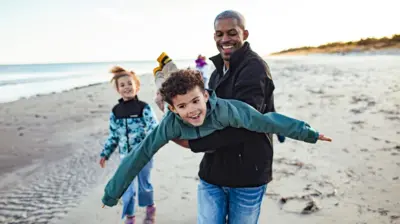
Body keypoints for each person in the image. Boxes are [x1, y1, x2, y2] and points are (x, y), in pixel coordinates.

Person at [101, 69, 332, 208]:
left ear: (206, 95)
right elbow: (140, 154)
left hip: (243, 165)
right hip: (201, 152)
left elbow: (266, 121)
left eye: (195, 101)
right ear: (172, 110)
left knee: (261, 121)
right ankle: (163, 79)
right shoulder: (170, 124)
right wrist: (111, 194)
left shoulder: (227, 110)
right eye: (182, 106)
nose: (192, 110)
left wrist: (307, 133)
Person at [184, 10, 286, 223]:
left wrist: (196, 143)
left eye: (232, 33)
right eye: (219, 34)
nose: (225, 39)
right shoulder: (216, 72)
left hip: (248, 173)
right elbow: (207, 115)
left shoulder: (254, 68)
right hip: (213, 172)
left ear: (245, 34)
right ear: (214, 37)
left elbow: (245, 122)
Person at [99, 66, 158, 224]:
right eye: (122, 85)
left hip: (144, 155)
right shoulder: (116, 111)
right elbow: (114, 135)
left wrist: (151, 147)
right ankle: (130, 216)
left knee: (144, 185)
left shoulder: (143, 108)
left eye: (129, 84)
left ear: (136, 86)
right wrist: (105, 153)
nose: (127, 87)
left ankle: (150, 208)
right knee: (127, 189)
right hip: (125, 157)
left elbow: (154, 128)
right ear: (118, 89)